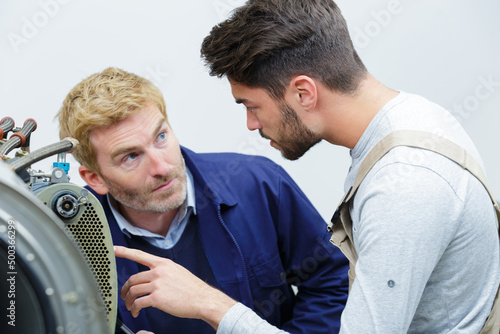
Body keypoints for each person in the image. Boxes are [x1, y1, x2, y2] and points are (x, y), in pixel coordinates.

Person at [197, 0, 500, 333]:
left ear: (303, 93)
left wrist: (213, 306)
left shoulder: (404, 185)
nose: (251, 125)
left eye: (252, 106)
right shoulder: (415, 116)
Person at [56, 67, 349, 334]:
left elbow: (333, 284)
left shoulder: (258, 184)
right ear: (95, 178)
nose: (162, 167)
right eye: (131, 156)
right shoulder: (68, 241)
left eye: (160, 137)